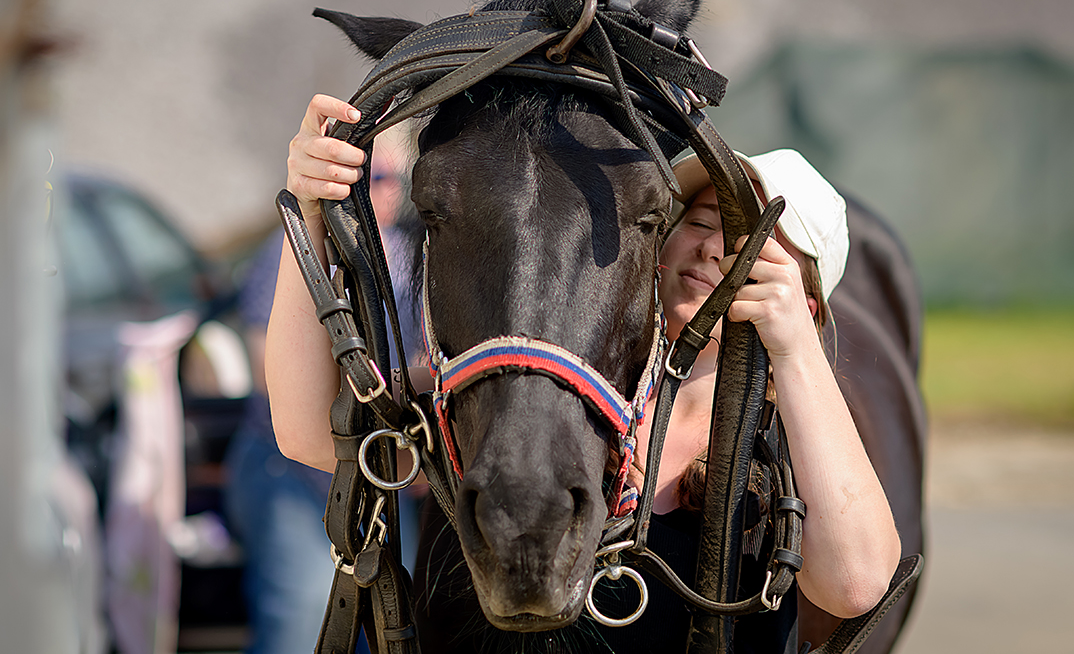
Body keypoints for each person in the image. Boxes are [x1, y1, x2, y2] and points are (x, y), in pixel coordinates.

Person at [267, 94, 900, 645]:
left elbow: (856, 584)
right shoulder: (526, 391)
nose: (712, 246)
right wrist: (309, 210)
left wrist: (794, 349)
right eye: (700, 221)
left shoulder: (785, 452)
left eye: (749, 243)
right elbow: (304, 432)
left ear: (805, 301)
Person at [226, 122, 421, 654]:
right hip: (289, 470)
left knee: (396, 621)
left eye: (388, 180)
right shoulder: (293, 249)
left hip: (385, 471)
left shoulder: (411, 255)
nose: (377, 191)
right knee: (303, 616)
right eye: (365, 176)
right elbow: (268, 377)